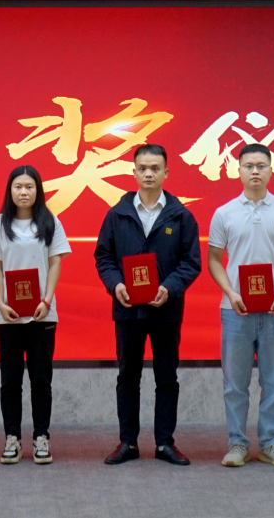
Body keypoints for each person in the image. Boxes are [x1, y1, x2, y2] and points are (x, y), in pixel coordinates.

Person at [94, 144, 201, 466]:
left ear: (166, 172)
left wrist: (170, 287)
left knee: (166, 377)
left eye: (155, 168)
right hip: (127, 309)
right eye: (143, 168)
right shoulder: (117, 214)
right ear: (134, 172)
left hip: (166, 309)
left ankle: (165, 443)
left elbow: (191, 262)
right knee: (128, 376)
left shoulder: (181, 216)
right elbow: (103, 257)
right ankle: (127, 442)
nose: (149, 174)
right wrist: (116, 284)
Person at [207, 143, 274, 467]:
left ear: (272, 170)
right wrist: (230, 292)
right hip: (235, 311)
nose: (255, 171)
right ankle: (237, 443)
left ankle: (272, 443)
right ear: (238, 171)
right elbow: (214, 259)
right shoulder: (224, 213)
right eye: (249, 166)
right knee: (235, 383)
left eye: (261, 165)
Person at [0, 165, 71, 465]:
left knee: (41, 379)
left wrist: (47, 300)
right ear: (10, 190)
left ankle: (41, 437)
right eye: (18, 186)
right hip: (6, 315)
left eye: (29, 187)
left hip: (42, 314)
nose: (23, 192)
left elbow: (55, 262)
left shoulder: (50, 222)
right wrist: (0, 301)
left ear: (38, 191)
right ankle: (12, 438)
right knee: (10, 381)